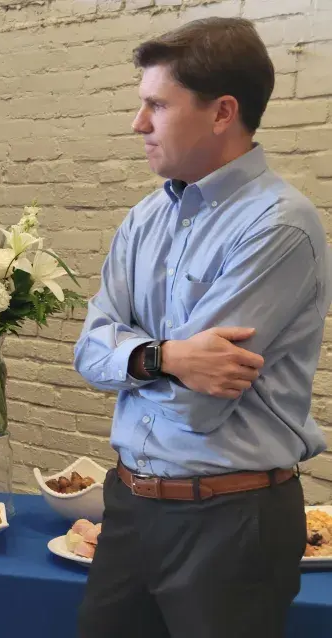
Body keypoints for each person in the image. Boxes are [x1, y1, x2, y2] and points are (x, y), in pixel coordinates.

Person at [73, 17, 331, 638]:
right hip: (129, 507)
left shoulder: (278, 225)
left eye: (158, 105)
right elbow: (87, 351)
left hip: (230, 523)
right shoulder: (144, 218)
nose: (138, 123)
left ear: (222, 113)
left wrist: (131, 357)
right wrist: (165, 357)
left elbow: (199, 406)